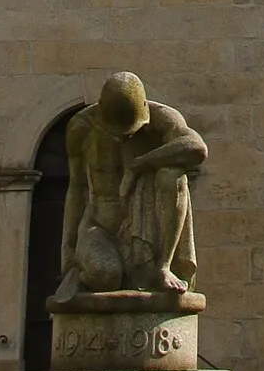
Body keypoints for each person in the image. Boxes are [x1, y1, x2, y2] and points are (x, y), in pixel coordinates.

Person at [56, 72, 207, 297]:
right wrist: (67, 249)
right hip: (100, 226)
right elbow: (76, 190)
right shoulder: (81, 127)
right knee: (105, 274)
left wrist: (140, 165)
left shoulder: (161, 119)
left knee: (173, 175)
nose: (121, 139)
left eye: (130, 133)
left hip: (145, 229)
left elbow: (197, 148)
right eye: (115, 133)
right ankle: (82, 273)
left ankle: (164, 266)